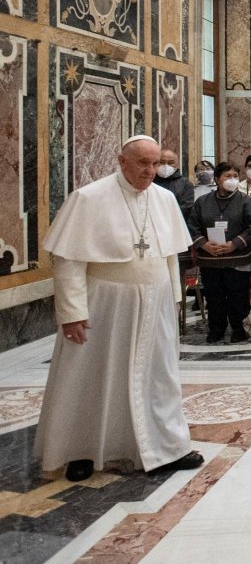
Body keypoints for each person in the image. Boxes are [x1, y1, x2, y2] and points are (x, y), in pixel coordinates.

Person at [38, 135, 202, 482]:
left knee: (159, 376)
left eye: (156, 164)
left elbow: (170, 256)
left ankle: (168, 446)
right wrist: (72, 312)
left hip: (154, 301)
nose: (151, 171)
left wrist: (174, 300)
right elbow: (67, 260)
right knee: (93, 376)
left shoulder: (165, 199)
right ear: (122, 160)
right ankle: (81, 451)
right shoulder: (88, 198)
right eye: (143, 163)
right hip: (104, 304)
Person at [187, 162, 251, 344]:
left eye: (235, 176)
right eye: (228, 176)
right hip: (210, 258)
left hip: (236, 257)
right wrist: (204, 244)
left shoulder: (245, 201)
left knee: (237, 295)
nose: (232, 180)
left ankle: (238, 329)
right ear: (217, 179)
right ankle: (216, 329)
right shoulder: (202, 202)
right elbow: (192, 226)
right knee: (214, 295)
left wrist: (234, 244)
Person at [154, 147, 194, 222]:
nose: (166, 166)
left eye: (171, 163)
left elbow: (186, 208)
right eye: (162, 162)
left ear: (177, 164)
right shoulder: (148, 181)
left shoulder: (186, 184)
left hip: (175, 224)